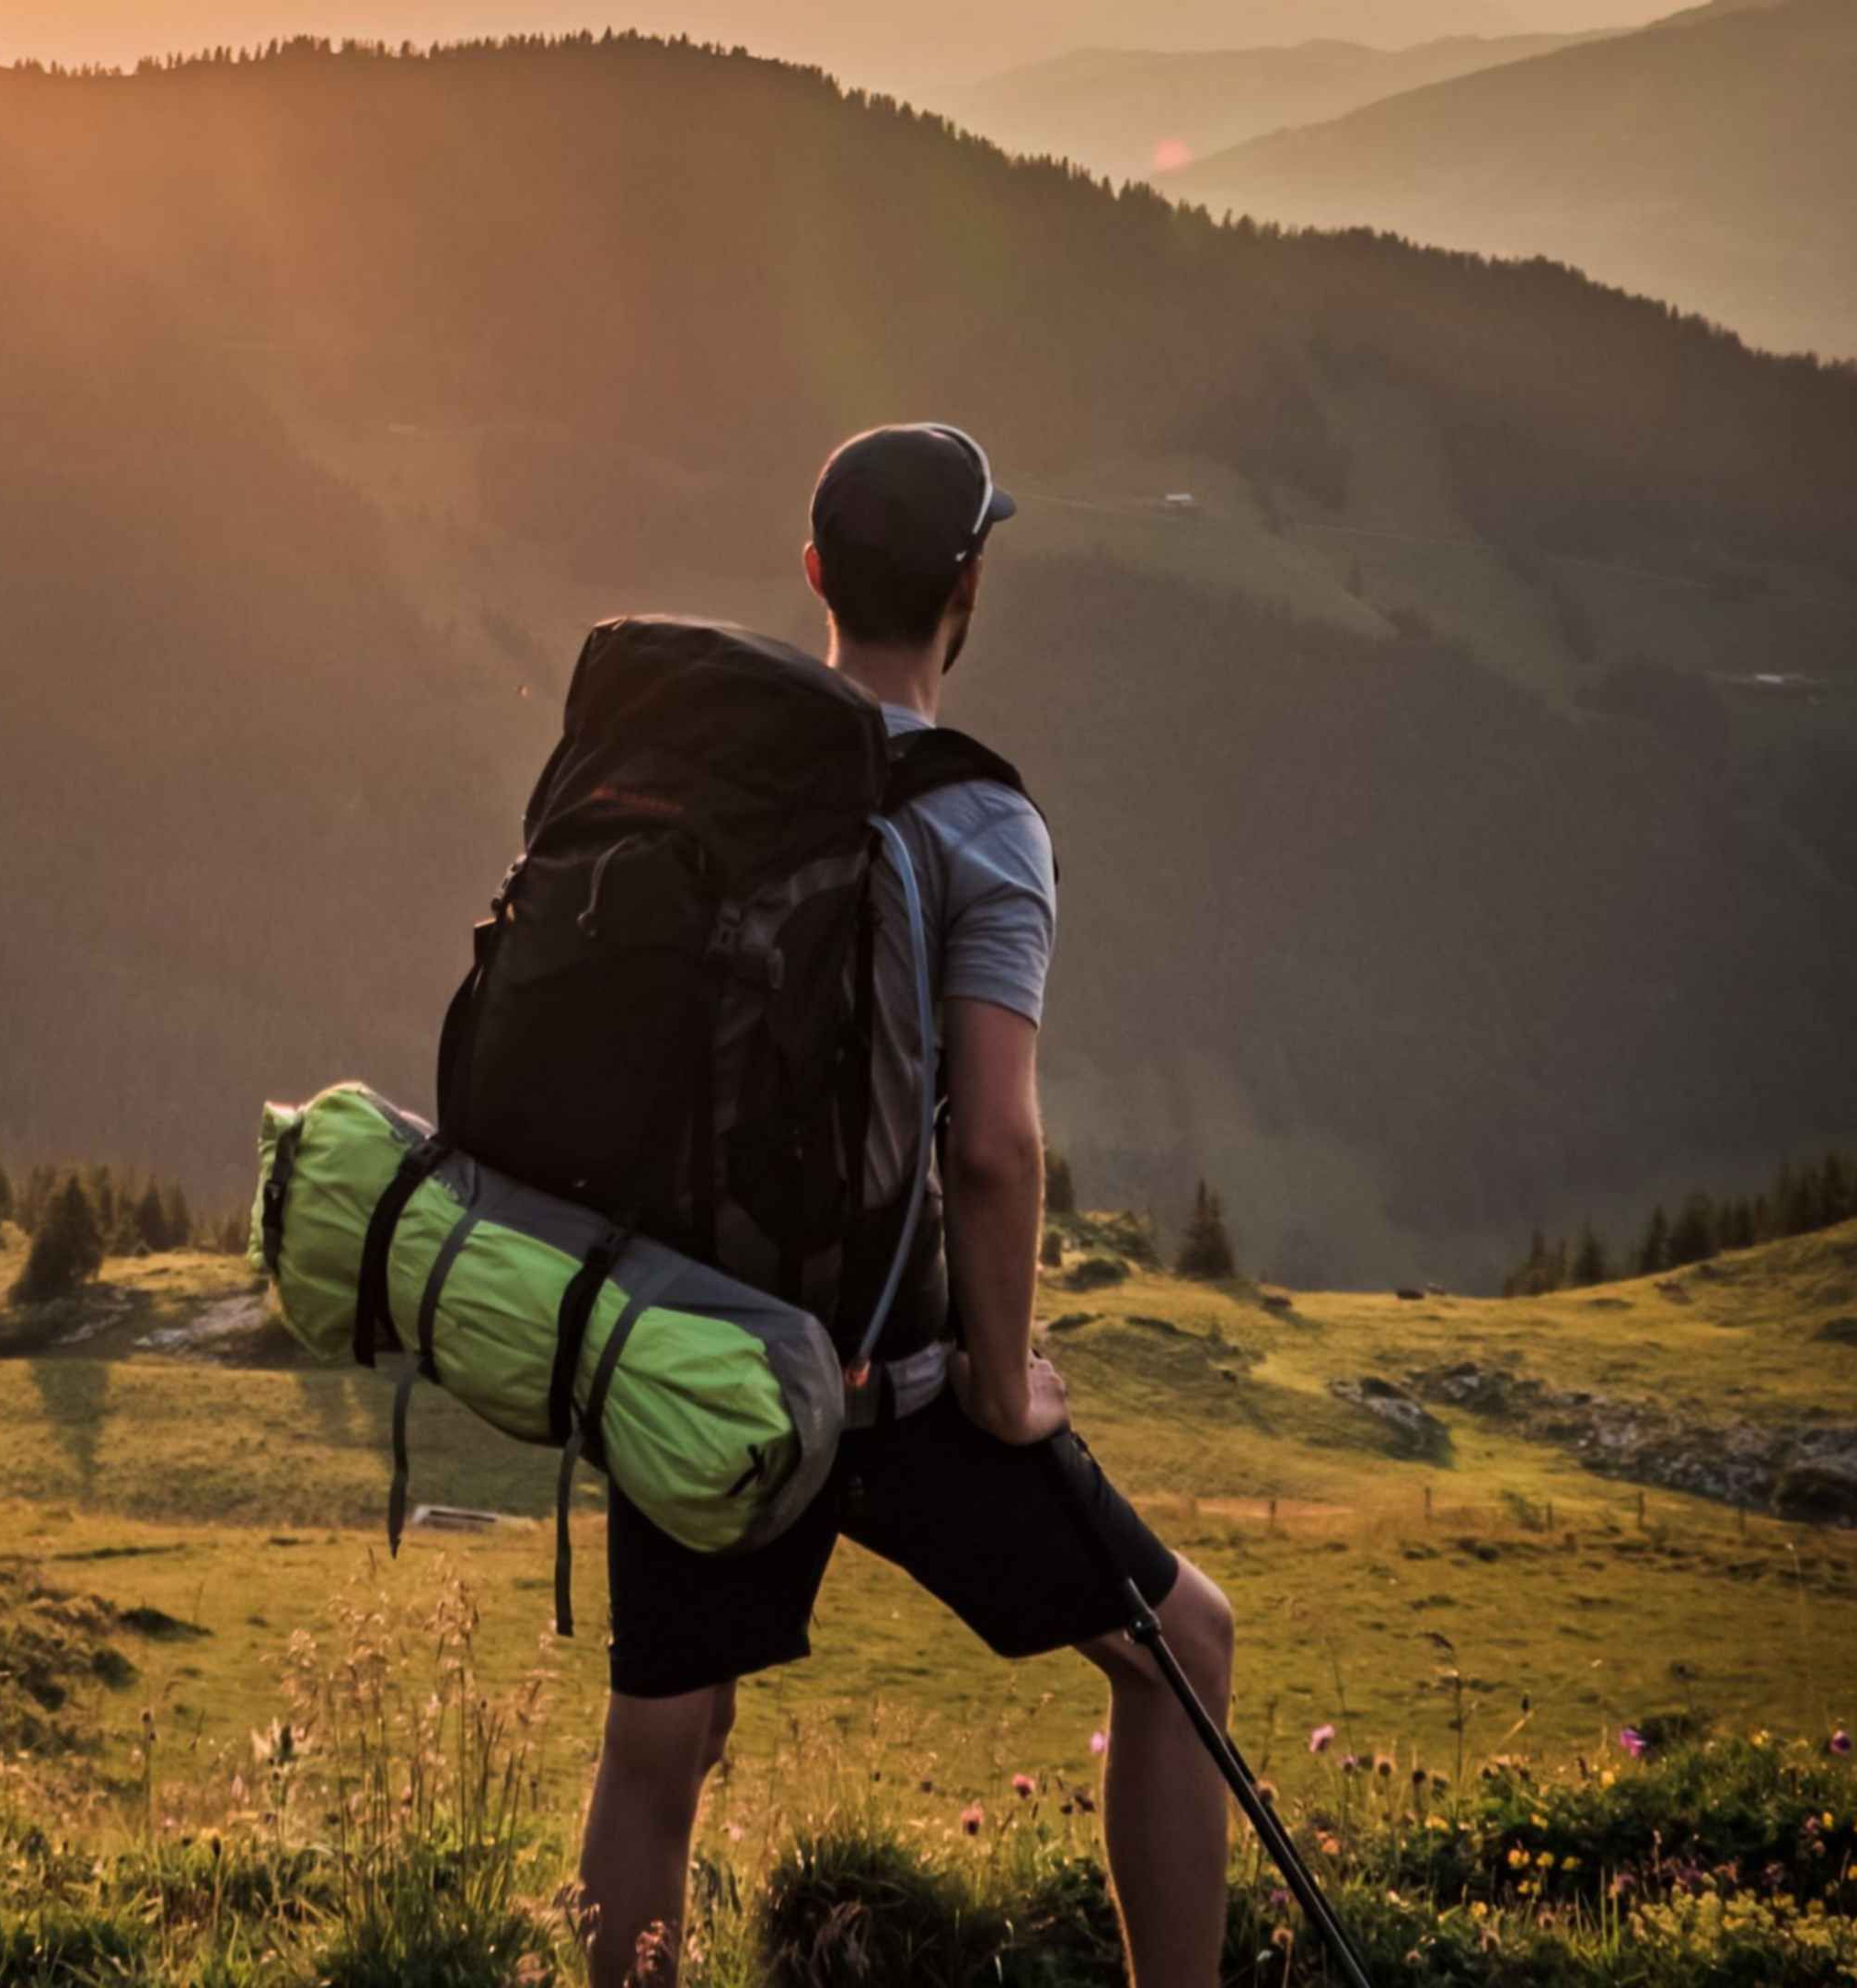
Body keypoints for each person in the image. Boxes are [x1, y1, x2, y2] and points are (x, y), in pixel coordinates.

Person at [575, 425, 1237, 1988]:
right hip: (899, 1378)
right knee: (1181, 1651)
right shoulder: (981, 822)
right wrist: (1004, 1388)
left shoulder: (697, 768)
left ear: (814, 574)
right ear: (969, 588)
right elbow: (995, 1147)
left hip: (705, 1350)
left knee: (660, 1745)